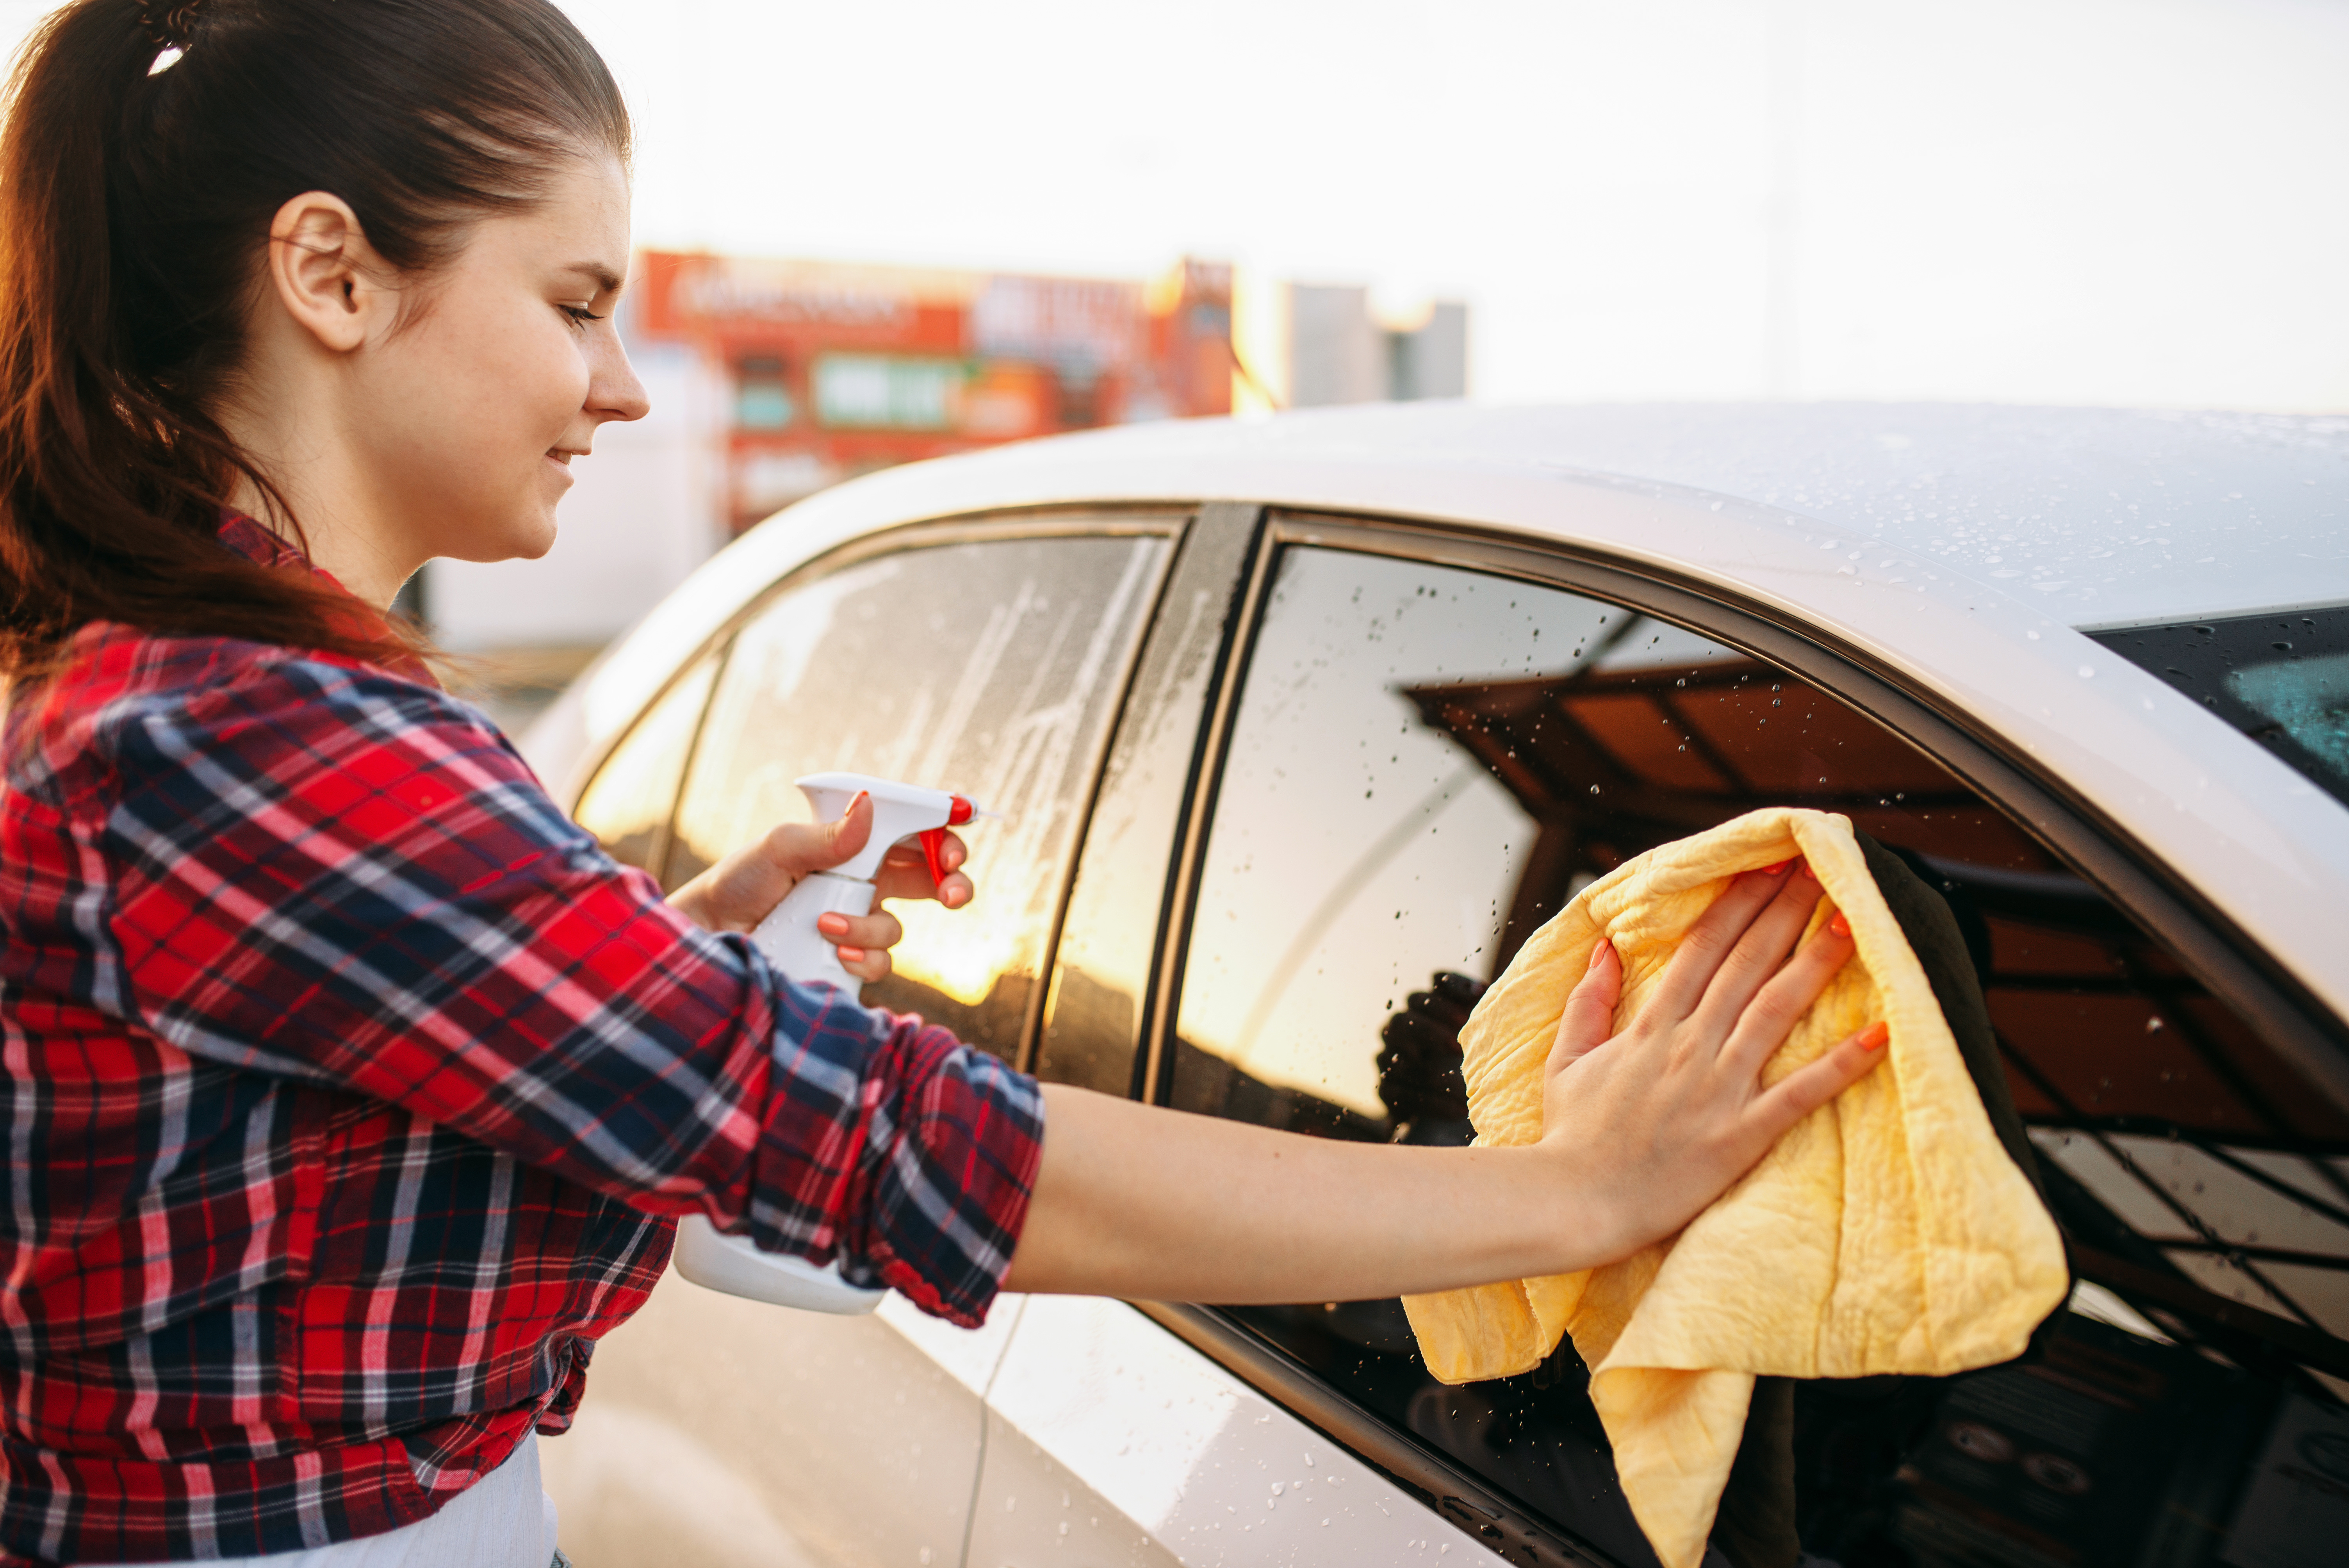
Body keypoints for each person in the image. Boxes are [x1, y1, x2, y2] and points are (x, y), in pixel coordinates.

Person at [0, 2, 1888, 1563]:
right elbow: (889, 1149)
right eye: (576, 301)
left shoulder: (176, 696)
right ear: (330, 272)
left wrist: (667, 958)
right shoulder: (253, 734)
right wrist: (1565, 1192)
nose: (627, 383)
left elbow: (301, 1147)